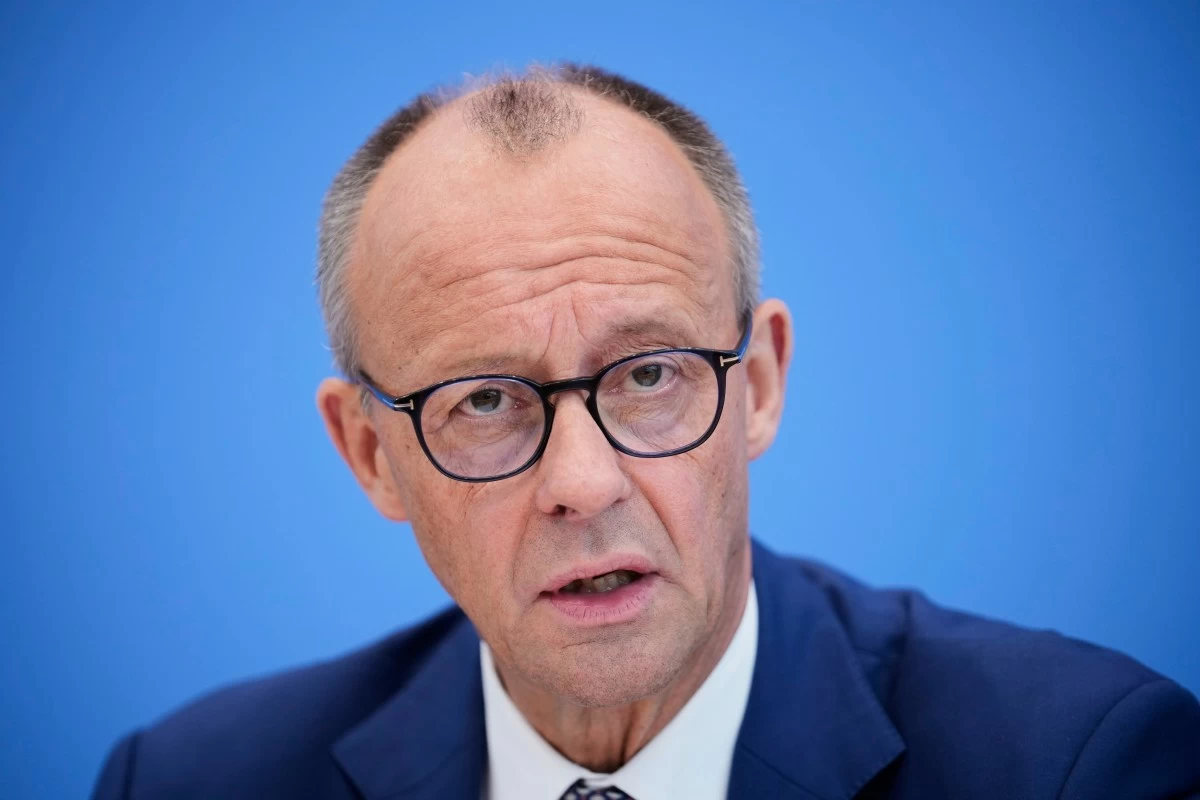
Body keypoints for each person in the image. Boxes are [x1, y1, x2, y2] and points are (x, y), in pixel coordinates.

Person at [91, 63, 1200, 800]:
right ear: (370, 453)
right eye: (484, 400)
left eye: (650, 374)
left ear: (759, 383)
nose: (583, 481)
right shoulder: (191, 781)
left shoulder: (1075, 764)